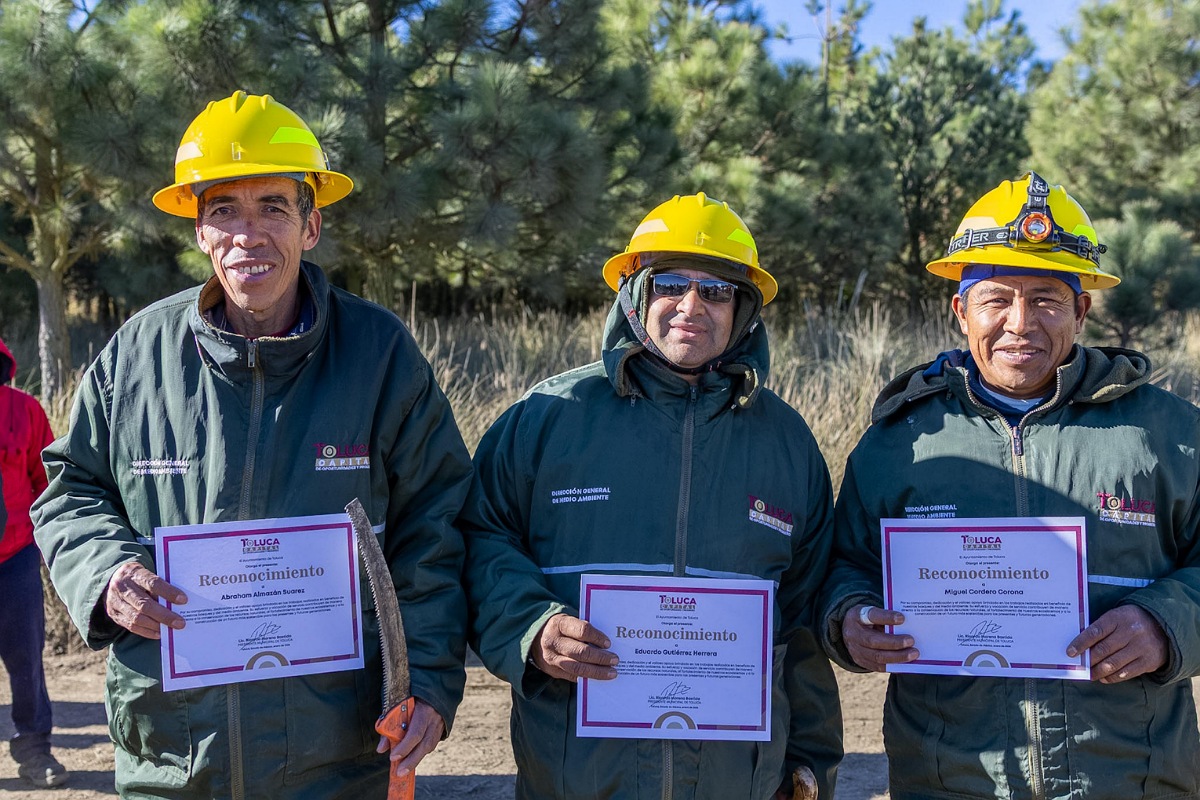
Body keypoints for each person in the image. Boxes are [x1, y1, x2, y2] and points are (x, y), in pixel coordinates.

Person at [31, 91, 473, 798]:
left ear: (312, 225)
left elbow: (437, 523)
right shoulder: (137, 354)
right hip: (173, 754)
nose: (248, 234)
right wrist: (108, 574)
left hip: (336, 756)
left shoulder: (379, 354)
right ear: (200, 232)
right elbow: (72, 488)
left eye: (273, 206)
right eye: (224, 211)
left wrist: (429, 680)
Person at [820, 171, 1200, 799]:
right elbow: (842, 565)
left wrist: (1166, 623)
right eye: (996, 298)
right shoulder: (899, 444)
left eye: (1047, 298)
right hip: (952, 779)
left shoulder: (1169, 435)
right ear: (960, 310)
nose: (1020, 323)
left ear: (1081, 309)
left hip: (1132, 777)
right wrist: (849, 619)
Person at [459, 193, 843, 800]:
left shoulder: (786, 443)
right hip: (576, 776)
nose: (691, 306)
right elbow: (478, 539)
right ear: (635, 294)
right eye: (669, 284)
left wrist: (810, 764)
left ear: (744, 310)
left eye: (716, 290)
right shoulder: (548, 418)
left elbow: (799, 618)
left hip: (733, 782)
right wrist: (533, 627)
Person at [0, 337, 67, 788]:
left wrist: (46, 548)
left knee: (27, 659)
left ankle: (34, 749)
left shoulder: (23, 410)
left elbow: (47, 483)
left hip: (14, 557)